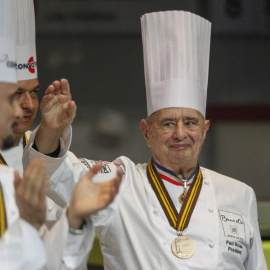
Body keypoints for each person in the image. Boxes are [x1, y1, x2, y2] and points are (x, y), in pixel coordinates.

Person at [24, 10, 267, 269]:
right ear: (146, 131)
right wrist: (51, 129)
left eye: (191, 122)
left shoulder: (240, 195)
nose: (180, 134)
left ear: (205, 129)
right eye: (168, 123)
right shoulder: (119, 184)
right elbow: (54, 173)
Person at [0, 1, 122, 269]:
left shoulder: (39, 158)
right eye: (15, 95)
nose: (28, 105)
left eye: (33, 92)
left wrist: (75, 219)